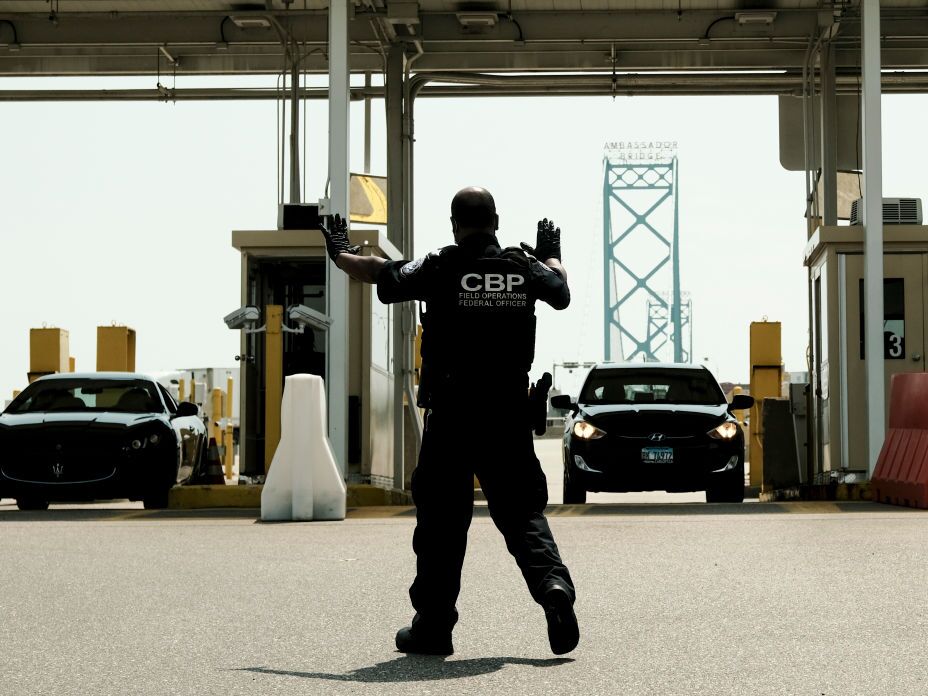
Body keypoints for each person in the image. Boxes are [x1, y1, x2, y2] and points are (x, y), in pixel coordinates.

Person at [319, 187, 578, 656]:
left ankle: (434, 628)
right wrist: (552, 254)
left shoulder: (442, 265)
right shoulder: (523, 266)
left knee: (441, 523)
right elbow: (560, 291)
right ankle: (554, 589)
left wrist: (340, 253)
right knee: (522, 514)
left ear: (455, 224)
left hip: (453, 418)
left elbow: (380, 271)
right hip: (507, 417)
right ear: (496, 222)